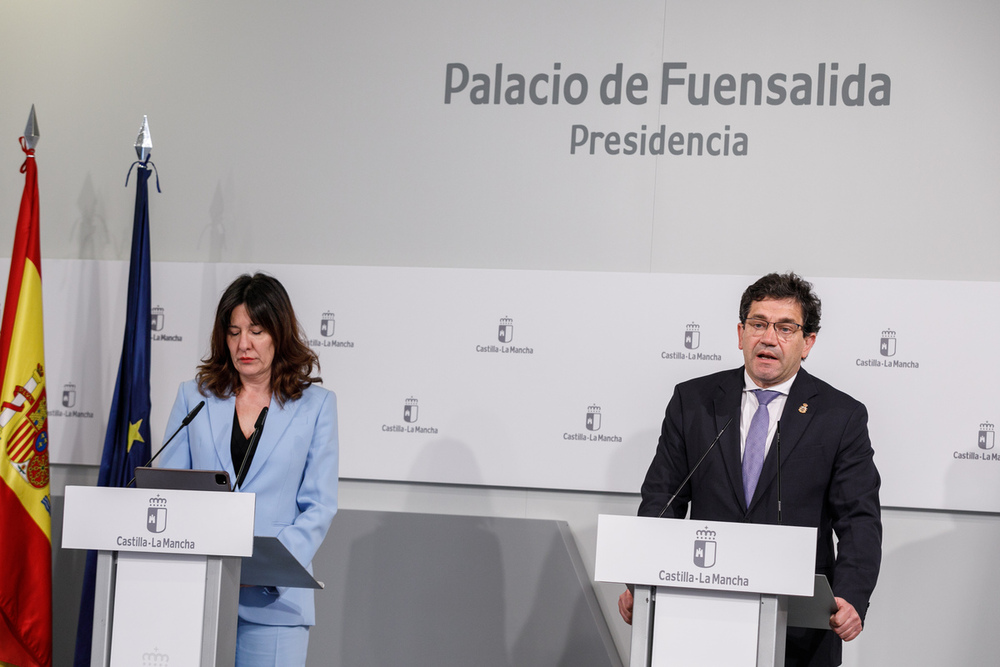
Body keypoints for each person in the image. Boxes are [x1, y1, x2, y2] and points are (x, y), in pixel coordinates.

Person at [618, 272, 881, 667]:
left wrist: (851, 596)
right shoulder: (694, 401)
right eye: (758, 324)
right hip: (700, 612)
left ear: (807, 342)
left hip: (798, 625)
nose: (769, 338)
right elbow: (662, 499)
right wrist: (642, 579)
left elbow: (858, 517)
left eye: (786, 328)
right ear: (741, 333)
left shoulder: (839, 416)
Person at [159, 273, 339, 666]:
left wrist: (264, 568)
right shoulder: (195, 398)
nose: (244, 344)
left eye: (256, 331)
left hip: (276, 602)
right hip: (199, 594)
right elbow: (169, 491)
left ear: (279, 333)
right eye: (235, 331)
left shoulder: (315, 406)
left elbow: (319, 506)